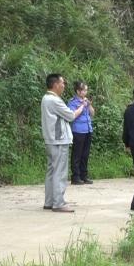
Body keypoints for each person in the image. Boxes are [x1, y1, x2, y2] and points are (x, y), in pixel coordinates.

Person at [41, 74, 85, 213]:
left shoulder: (45, 98)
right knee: (59, 172)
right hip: (59, 140)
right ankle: (58, 203)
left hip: (51, 139)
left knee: (51, 171)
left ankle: (49, 201)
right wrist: (82, 107)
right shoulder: (54, 100)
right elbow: (71, 116)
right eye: (62, 83)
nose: (64, 85)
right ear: (55, 85)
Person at [68, 80, 95, 185]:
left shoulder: (86, 101)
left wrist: (89, 105)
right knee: (77, 154)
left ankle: (84, 176)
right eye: (84, 90)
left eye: (86, 90)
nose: (86, 92)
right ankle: (75, 176)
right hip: (78, 130)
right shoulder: (72, 102)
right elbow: (73, 115)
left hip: (88, 129)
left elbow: (92, 113)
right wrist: (82, 105)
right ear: (78, 91)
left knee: (85, 154)